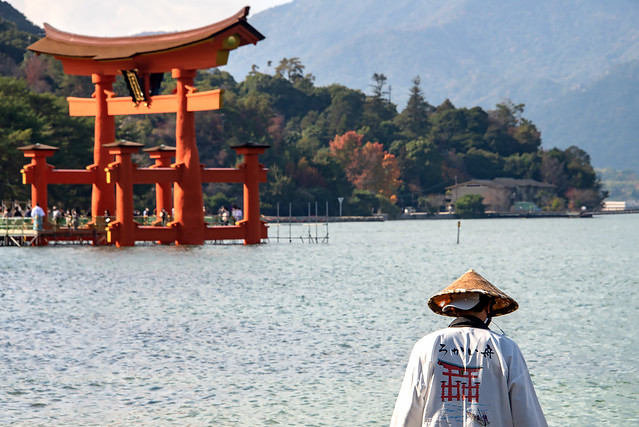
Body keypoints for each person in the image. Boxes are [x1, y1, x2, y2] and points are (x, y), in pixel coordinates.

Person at [390, 269, 547, 427]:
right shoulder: (506, 347)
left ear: (453, 308)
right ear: (488, 306)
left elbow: (410, 405)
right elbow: (526, 410)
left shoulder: (427, 344)